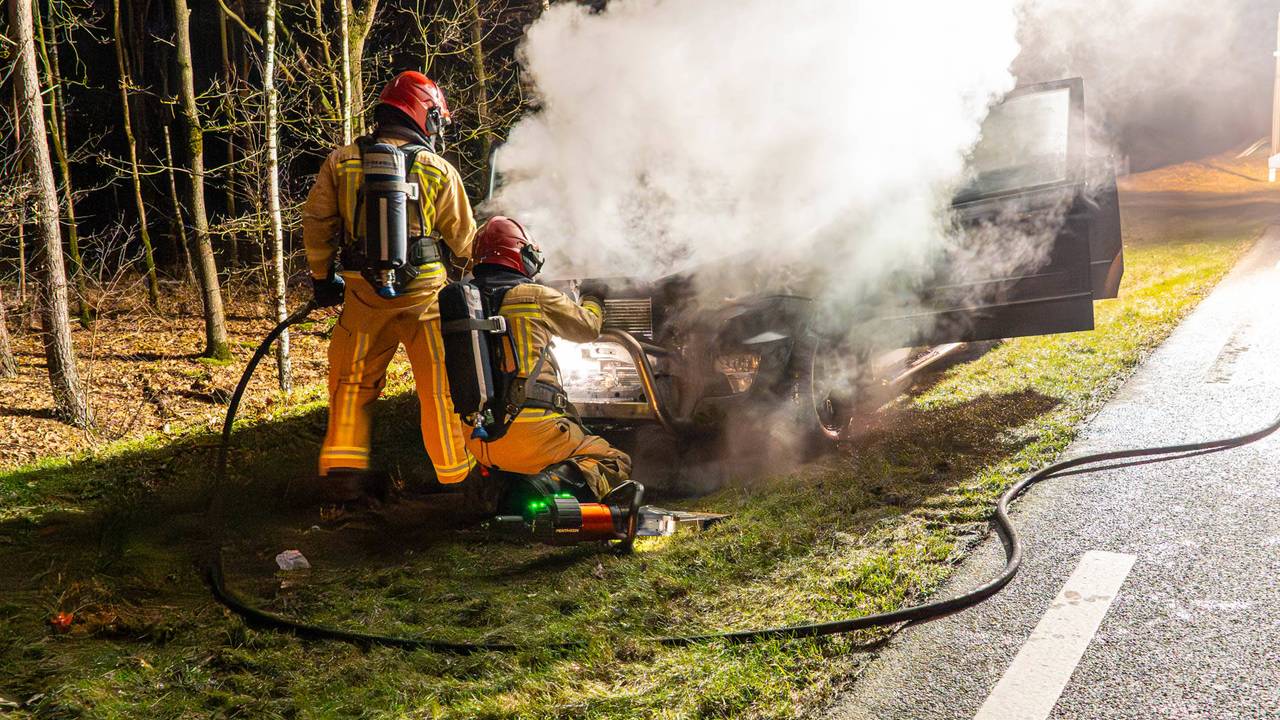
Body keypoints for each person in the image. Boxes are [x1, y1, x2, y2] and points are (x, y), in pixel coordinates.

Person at [302, 71, 476, 503]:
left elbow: (318, 222)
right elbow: (465, 241)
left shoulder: (341, 162)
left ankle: (344, 481)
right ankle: (457, 481)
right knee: (440, 388)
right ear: (424, 115)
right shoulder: (438, 170)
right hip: (427, 296)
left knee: (350, 385)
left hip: (362, 292)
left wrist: (323, 278)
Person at [463, 216, 632, 509]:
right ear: (518, 254)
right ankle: (546, 486)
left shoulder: (463, 302)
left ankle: (496, 488)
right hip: (533, 434)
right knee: (615, 460)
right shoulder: (534, 296)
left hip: (477, 438)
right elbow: (588, 326)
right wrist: (593, 296)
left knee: (530, 449)